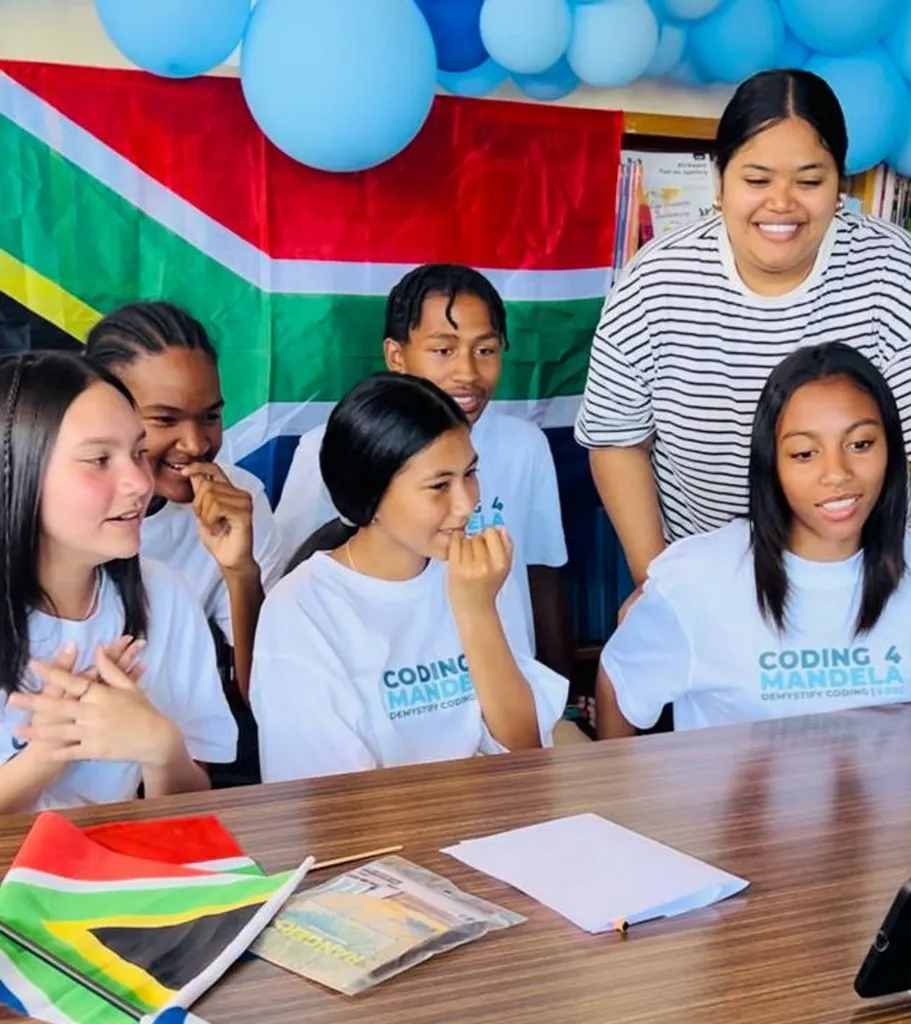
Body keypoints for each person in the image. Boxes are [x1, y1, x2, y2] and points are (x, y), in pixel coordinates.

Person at [574, 68, 911, 688]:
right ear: (719, 179)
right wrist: (658, 581)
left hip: (864, 589)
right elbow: (618, 441)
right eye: (756, 179)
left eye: (809, 180)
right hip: (717, 594)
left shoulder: (893, 271)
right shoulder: (655, 282)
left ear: (840, 184)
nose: (782, 204)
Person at [596, 343, 911, 737]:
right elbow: (618, 687)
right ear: (771, 461)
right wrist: (617, 779)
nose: (837, 473)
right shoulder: (694, 581)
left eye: (860, 444)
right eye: (805, 453)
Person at [251, 373, 568, 782]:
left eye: (470, 473)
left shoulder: (477, 573)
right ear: (371, 495)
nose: (466, 504)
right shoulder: (301, 610)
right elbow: (335, 799)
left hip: (492, 816)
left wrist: (478, 612)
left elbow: (525, 752)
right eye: (439, 485)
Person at [274, 264, 573, 678]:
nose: (467, 373)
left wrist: (564, 693)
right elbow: (300, 572)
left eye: (485, 350)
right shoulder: (331, 447)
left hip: (509, 681)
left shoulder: (526, 446)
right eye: (443, 350)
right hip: (399, 686)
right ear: (396, 356)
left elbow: (541, 574)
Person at [0, 352, 237, 813]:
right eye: (99, 459)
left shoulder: (164, 596)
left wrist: (159, 745)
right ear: (18, 472)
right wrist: (46, 755)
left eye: (138, 453)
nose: (138, 483)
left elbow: (189, 810)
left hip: (114, 859)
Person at [84, 302, 285, 708]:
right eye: (165, 419)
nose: (195, 444)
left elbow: (269, 699)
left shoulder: (237, 499)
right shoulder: (50, 504)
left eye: (210, 416)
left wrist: (240, 571)